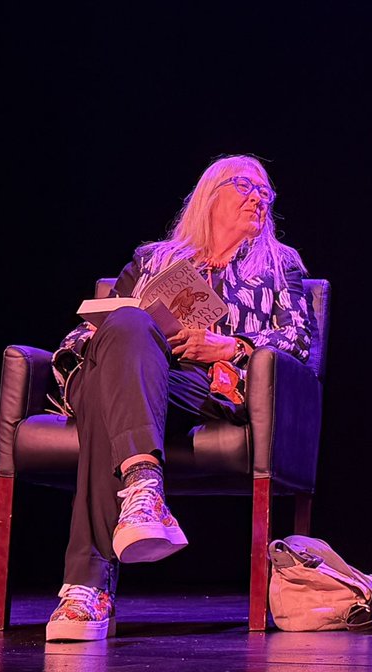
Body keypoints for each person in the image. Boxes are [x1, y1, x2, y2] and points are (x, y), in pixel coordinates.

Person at [46, 154, 314, 642]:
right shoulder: (151, 260)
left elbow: (298, 341)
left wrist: (230, 346)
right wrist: (127, 333)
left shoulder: (279, 264)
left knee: (108, 399)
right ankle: (143, 489)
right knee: (128, 326)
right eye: (245, 185)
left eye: (266, 191)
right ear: (210, 194)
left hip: (195, 384)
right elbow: (81, 336)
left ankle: (86, 589)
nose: (260, 197)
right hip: (118, 375)